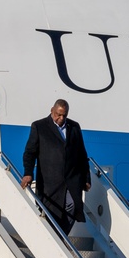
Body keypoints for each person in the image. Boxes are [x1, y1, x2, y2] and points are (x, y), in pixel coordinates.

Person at [21, 99, 91, 232]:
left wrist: (86, 178)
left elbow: (82, 154)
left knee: (73, 207)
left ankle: (61, 236)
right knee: (51, 213)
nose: (61, 118)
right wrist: (28, 173)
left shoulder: (74, 127)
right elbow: (30, 153)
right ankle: (57, 238)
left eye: (64, 115)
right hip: (50, 183)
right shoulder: (39, 126)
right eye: (58, 114)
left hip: (72, 180)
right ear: (52, 110)